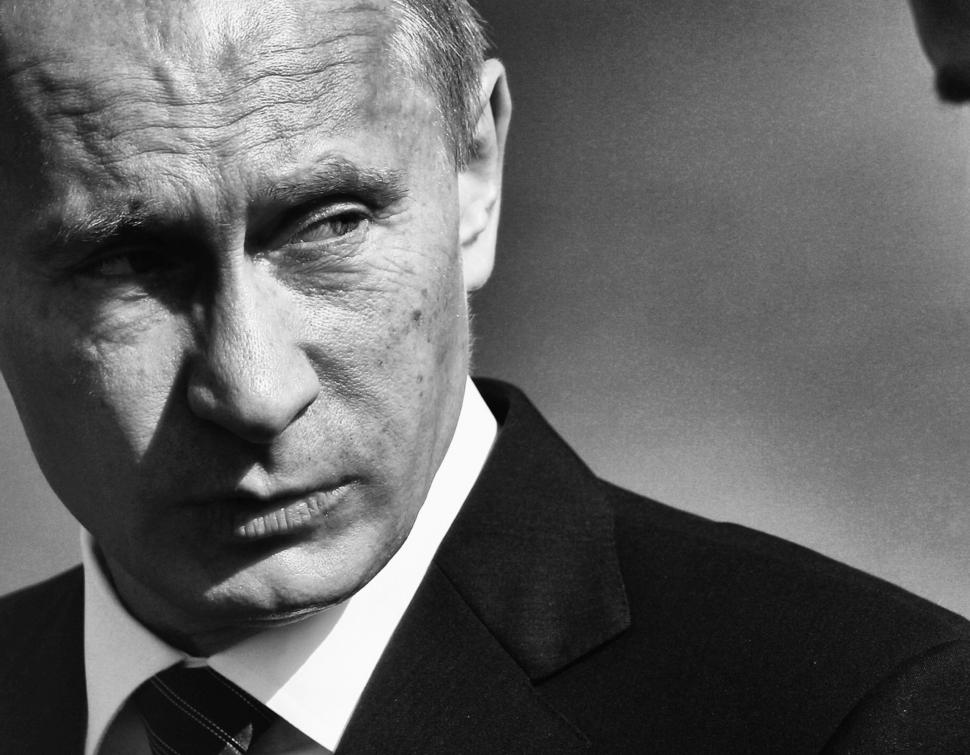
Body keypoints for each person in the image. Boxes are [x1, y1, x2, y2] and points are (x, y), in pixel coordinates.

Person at [1, 0, 969, 752]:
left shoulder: (866, 718)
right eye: (127, 264)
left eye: (330, 224)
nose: (255, 389)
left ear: (475, 171)